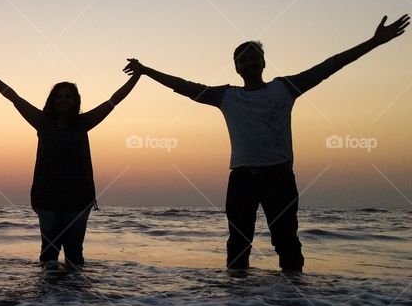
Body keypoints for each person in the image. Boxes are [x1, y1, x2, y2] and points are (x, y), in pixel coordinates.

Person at [124, 14, 409, 272]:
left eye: (253, 57)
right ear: (236, 68)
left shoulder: (284, 88)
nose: (248, 62)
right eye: (242, 60)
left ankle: (292, 300)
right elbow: (186, 87)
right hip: (242, 179)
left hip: (279, 178)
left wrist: (374, 42)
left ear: (263, 62)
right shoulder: (226, 96)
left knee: (286, 240)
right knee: (238, 242)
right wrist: (147, 70)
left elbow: (329, 66)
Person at [0, 66, 139, 268]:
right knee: (49, 252)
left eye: (69, 96)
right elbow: (13, 97)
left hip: (79, 196)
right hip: (47, 196)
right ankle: (47, 298)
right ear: (52, 100)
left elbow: (113, 101)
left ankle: (73, 297)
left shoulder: (84, 122)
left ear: (76, 101)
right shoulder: (41, 121)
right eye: (59, 96)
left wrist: (138, 76)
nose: (64, 100)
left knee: (74, 252)